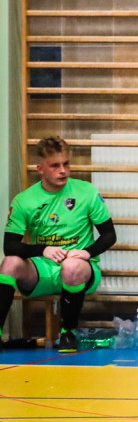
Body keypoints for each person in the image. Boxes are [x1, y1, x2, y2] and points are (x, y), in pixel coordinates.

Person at [1, 137, 117, 353]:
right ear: (40, 169)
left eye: (66, 164)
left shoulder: (86, 192)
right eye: (55, 165)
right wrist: (42, 250)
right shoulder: (24, 201)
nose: (63, 170)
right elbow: (10, 246)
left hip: (81, 269)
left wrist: (85, 252)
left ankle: (68, 333)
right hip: (43, 269)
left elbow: (109, 235)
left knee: (71, 267)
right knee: (9, 263)